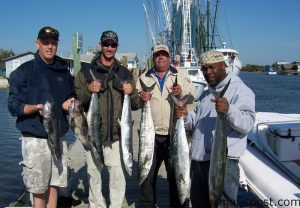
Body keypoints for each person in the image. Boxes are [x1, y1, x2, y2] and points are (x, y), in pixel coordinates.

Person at [176, 50, 255, 207]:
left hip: (223, 163)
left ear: (224, 66)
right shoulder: (206, 95)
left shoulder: (241, 91)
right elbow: (193, 123)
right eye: (204, 69)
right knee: (199, 203)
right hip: (198, 162)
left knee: (223, 204)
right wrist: (185, 115)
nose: (208, 72)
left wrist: (229, 109)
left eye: (212, 67)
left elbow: (247, 124)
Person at [7, 26, 75, 208]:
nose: (50, 47)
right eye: (45, 43)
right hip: (35, 139)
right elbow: (13, 106)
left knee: (55, 183)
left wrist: (69, 104)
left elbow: (71, 95)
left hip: (59, 137)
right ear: (37, 44)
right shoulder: (23, 71)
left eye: (53, 43)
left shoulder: (63, 70)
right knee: (38, 188)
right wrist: (33, 107)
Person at [74, 30, 140, 208]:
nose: (109, 48)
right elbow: (77, 100)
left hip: (117, 136)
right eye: (106, 44)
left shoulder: (125, 73)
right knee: (94, 176)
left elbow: (135, 104)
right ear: (100, 46)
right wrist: (88, 89)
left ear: (117, 47)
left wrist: (132, 92)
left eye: (113, 45)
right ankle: (97, 205)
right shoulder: (85, 72)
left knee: (118, 179)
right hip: (93, 135)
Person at [136, 44, 195, 208]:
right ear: (153, 57)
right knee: (146, 177)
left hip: (174, 136)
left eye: (164, 55)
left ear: (169, 58)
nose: (160, 57)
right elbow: (134, 102)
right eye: (157, 55)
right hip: (150, 136)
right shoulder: (144, 77)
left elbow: (192, 96)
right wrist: (140, 96)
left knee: (177, 176)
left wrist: (181, 91)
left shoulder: (181, 75)